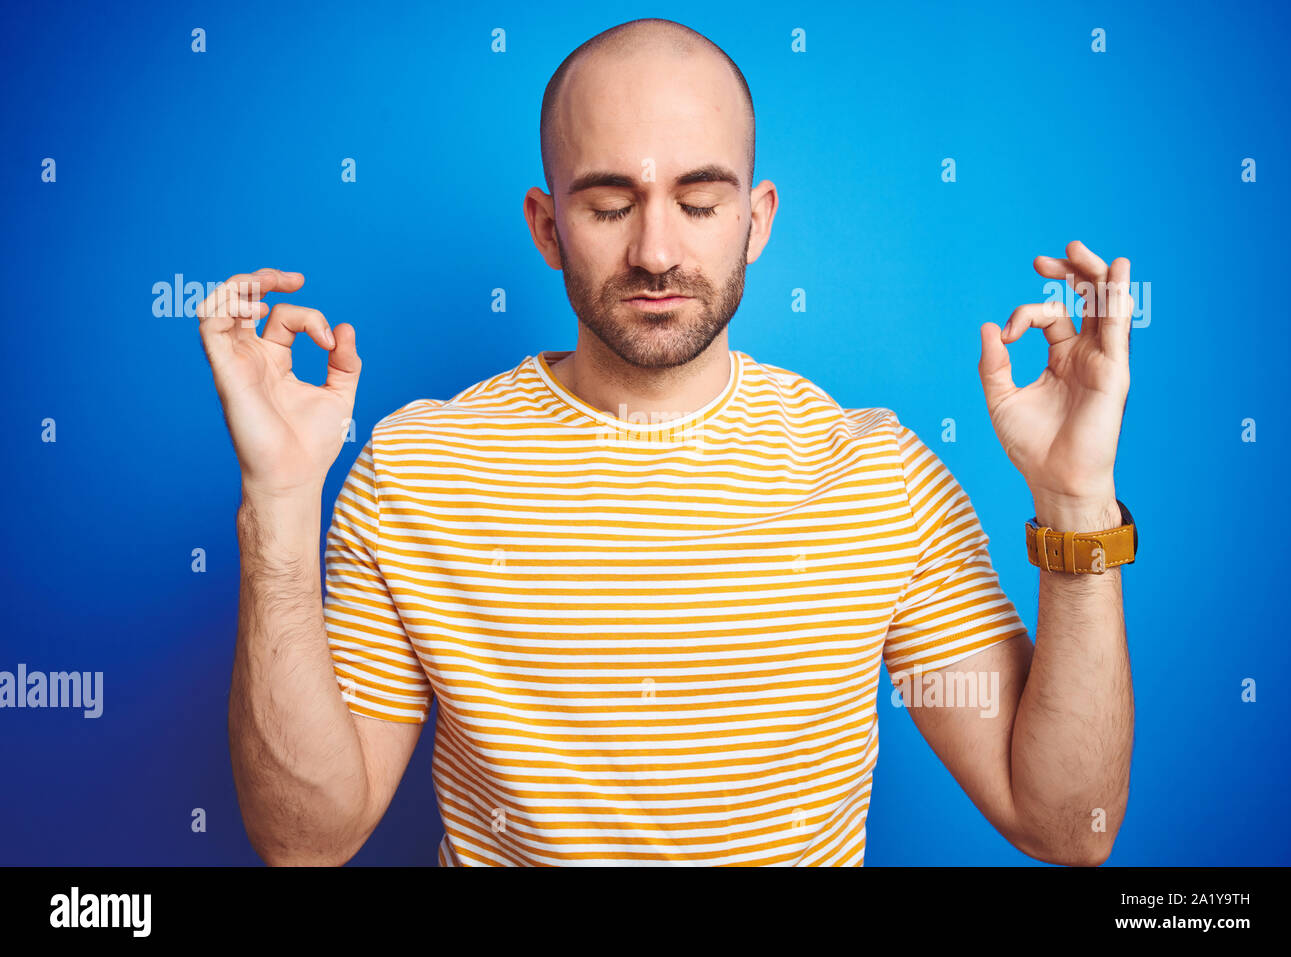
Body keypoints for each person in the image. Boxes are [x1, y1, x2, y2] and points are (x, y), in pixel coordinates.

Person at [200, 18, 1135, 866]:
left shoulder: (877, 475)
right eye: (610, 205)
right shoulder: (416, 470)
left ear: (756, 220)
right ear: (547, 226)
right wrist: (278, 502)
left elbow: (1063, 824)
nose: (655, 250)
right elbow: (305, 842)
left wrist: (1076, 499)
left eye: (699, 201)